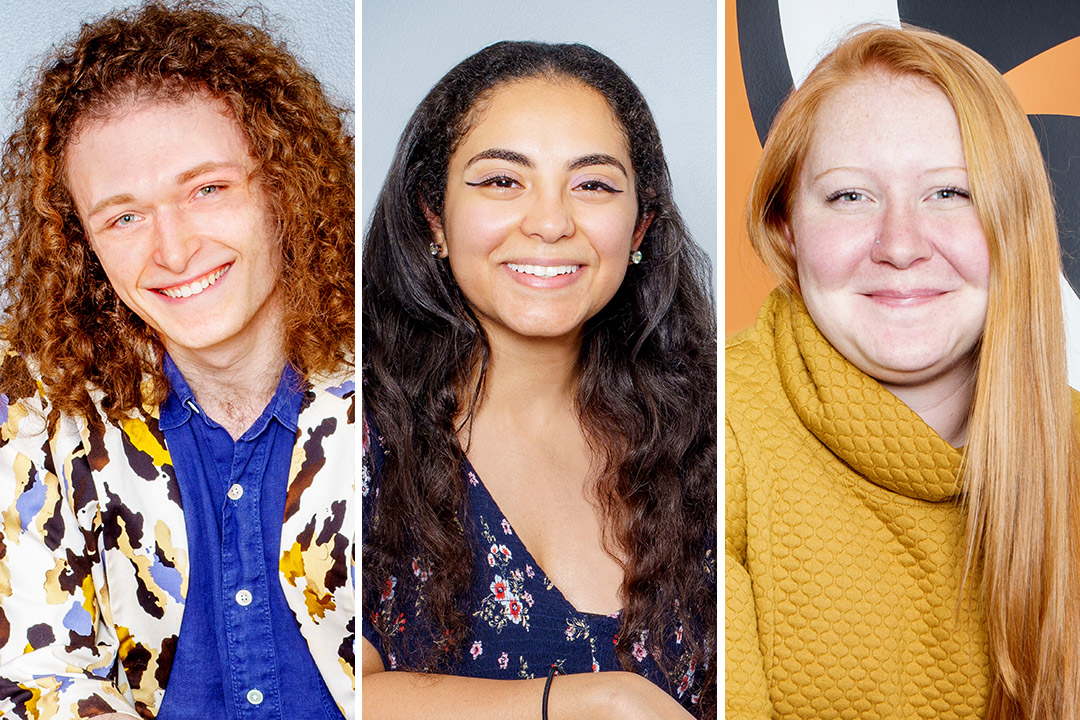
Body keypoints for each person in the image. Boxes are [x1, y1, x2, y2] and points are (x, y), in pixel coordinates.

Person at [0, 3, 354, 718]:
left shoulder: (403, 383)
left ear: (286, 189)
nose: (173, 250)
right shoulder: (36, 404)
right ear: (83, 246)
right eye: (124, 217)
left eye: (207, 189)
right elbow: (31, 681)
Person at [726, 26, 1080, 720]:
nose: (900, 245)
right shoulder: (717, 430)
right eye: (851, 197)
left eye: (950, 193)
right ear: (787, 227)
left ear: (1014, 222)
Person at [362, 41, 716, 719]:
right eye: (501, 181)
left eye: (593, 185)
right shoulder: (356, 427)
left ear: (639, 225)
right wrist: (594, 703)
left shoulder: (711, 432)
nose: (550, 222)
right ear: (433, 214)